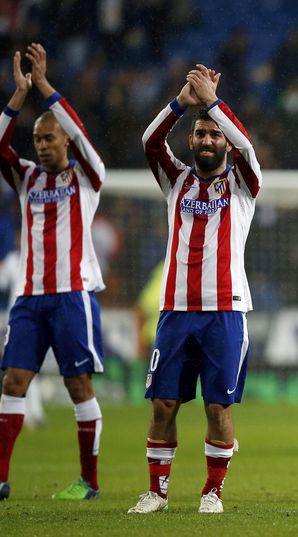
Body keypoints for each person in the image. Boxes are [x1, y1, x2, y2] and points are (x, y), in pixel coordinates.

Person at [128, 64, 262, 514]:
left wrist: (213, 104)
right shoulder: (176, 180)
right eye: (200, 134)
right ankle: (157, 493)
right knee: (163, 404)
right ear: (191, 140)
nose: (207, 140)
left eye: (214, 134)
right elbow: (149, 142)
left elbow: (245, 144)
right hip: (175, 311)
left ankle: (212, 492)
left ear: (223, 140)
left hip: (226, 311)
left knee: (218, 409)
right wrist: (182, 103)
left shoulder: (242, 184)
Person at [0, 44, 106, 501]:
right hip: (29, 298)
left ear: (64, 141)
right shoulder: (26, 178)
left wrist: (44, 86)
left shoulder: (87, 176)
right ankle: (1, 477)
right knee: (12, 382)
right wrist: (19, 94)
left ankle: (90, 481)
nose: (41, 146)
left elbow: (81, 133)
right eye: (37, 140)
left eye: (49, 139)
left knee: (77, 384)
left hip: (72, 295)